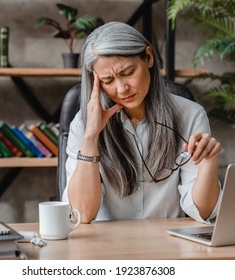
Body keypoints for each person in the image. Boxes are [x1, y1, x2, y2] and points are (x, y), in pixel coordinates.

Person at [62, 21, 222, 224]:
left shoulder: (190, 115)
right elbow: (80, 214)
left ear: (148, 57)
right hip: (106, 248)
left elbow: (203, 211)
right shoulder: (82, 125)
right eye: (108, 81)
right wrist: (91, 137)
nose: (121, 89)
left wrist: (209, 163)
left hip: (169, 246)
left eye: (127, 73)